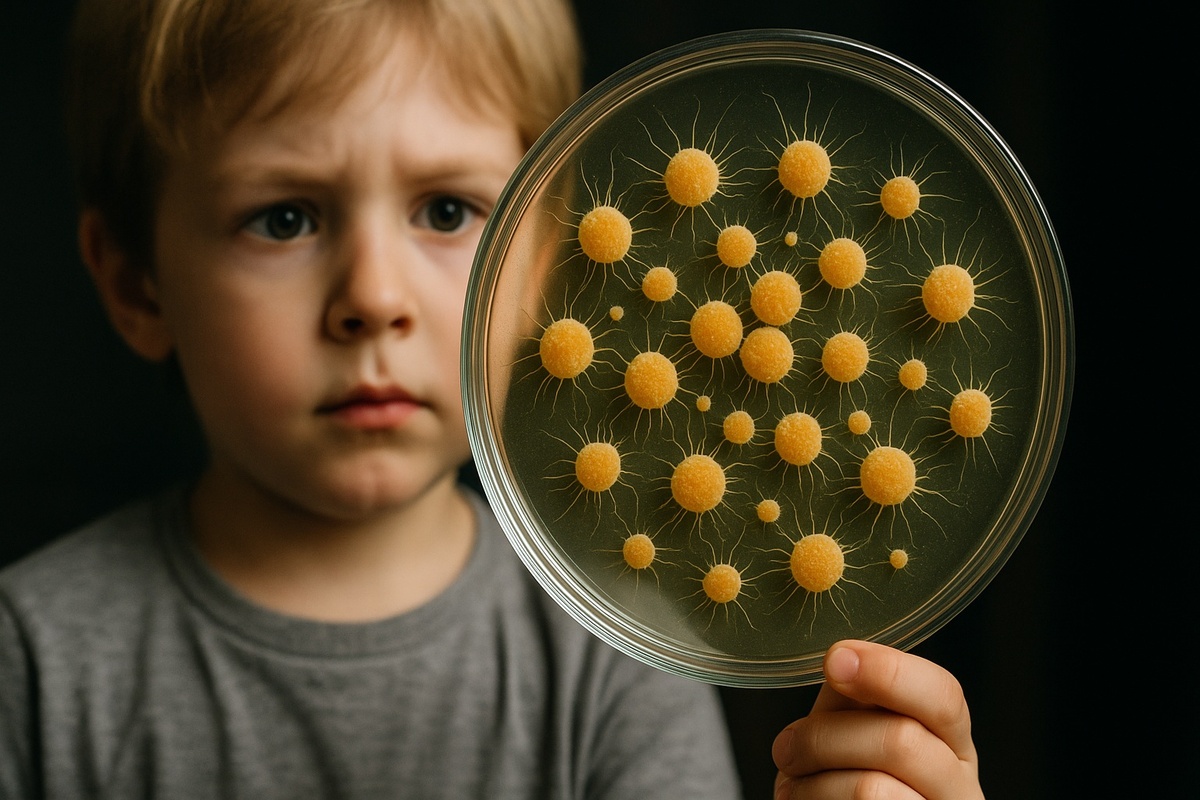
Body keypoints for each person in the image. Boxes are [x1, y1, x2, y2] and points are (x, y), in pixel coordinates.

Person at [0, 0, 985, 797]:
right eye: (285, 217)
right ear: (136, 284)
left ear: (538, 261)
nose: (374, 298)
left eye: (446, 210)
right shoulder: (31, 660)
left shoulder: (613, 660)